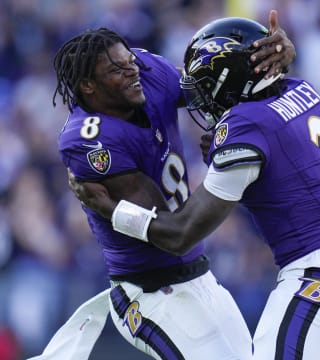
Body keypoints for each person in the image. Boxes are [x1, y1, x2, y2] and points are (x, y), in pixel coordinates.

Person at [71, 16, 320, 360]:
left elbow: (180, 233)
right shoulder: (302, 89)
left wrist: (111, 210)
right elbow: (285, 157)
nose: (203, 101)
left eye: (208, 88)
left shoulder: (245, 126)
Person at [29, 11, 295, 360]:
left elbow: (215, 86)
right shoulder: (90, 139)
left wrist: (272, 61)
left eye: (129, 61)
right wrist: (232, 168)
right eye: (116, 70)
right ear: (88, 87)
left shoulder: (146, 71)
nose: (132, 71)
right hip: (149, 293)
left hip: (200, 276)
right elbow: (171, 234)